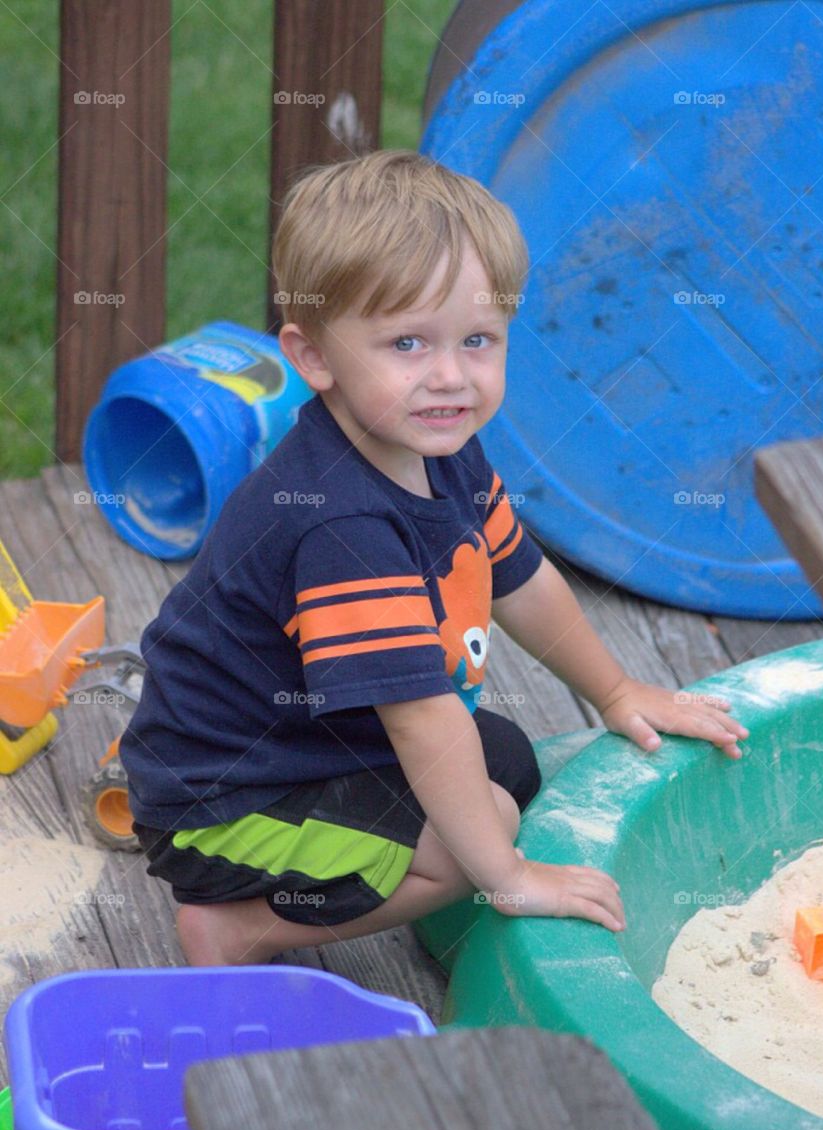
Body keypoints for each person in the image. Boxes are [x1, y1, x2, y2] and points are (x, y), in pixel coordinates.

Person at [121, 149, 749, 966]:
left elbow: (522, 580)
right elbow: (420, 723)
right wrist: (509, 877)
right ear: (313, 358)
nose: (450, 376)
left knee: (509, 763)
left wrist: (617, 689)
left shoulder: (440, 448)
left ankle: (393, 861)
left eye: (478, 339)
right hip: (225, 798)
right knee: (477, 835)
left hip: (318, 739)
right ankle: (241, 925)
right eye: (408, 343)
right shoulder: (341, 528)